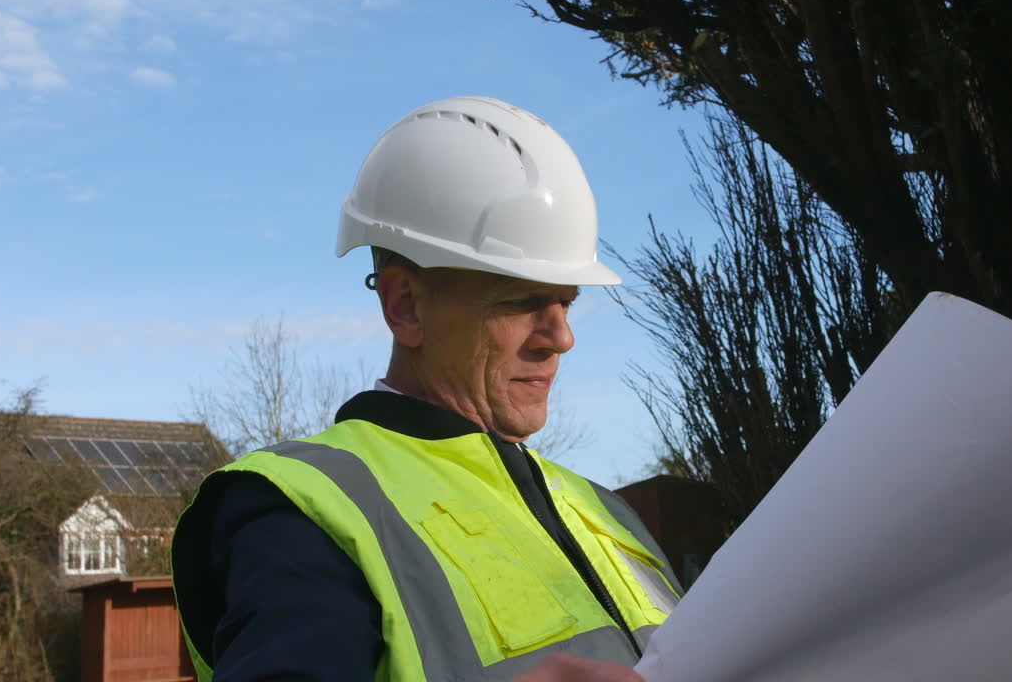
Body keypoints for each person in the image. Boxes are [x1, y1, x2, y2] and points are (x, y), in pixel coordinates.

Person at [171, 96, 682, 681]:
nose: (560, 336)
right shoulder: (308, 513)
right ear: (406, 306)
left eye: (567, 301)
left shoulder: (604, 511)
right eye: (521, 301)